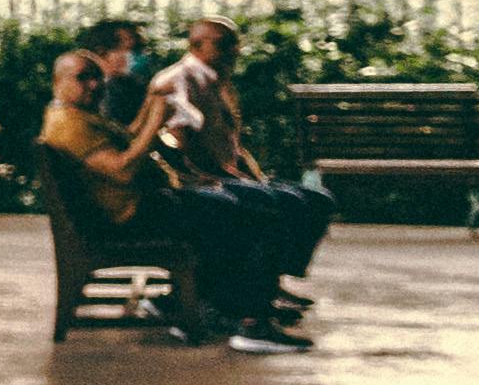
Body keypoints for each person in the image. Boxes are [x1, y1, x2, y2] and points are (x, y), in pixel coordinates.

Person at [39, 44, 305, 350]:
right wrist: (155, 123)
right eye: (83, 78)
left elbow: (127, 137)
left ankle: (205, 304)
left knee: (246, 202)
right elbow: (122, 170)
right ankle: (251, 323)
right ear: (58, 81)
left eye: (98, 78)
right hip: (133, 215)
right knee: (251, 214)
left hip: (145, 204)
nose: (95, 85)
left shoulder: (77, 115)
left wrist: (153, 105)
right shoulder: (69, 125)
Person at [151, 17, 333, 321]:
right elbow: (180, 143)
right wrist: (228, 177)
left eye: (234, 43)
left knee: (317, 200)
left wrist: (252, 176)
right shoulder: (180, 79)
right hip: (201, 181)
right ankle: (250, 298)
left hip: (228, 174)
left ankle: (268, 280)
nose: (234, 51)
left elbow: (230, 142)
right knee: (274, 205)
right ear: (196, 45)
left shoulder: (215, 78)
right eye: (224, 44)